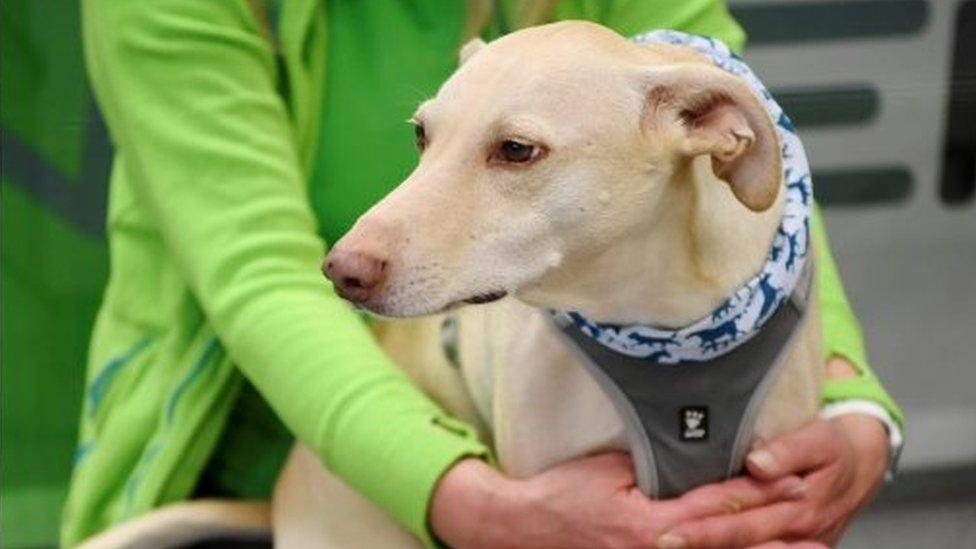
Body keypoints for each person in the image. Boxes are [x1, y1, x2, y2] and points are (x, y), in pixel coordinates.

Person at [66, 1, 903, 547]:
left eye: (518, 151)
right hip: (244, 441)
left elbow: (761, 182)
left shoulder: (689, 106)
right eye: (425, 137)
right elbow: (263, 275)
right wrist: (469, 504)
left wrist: (853, 401)